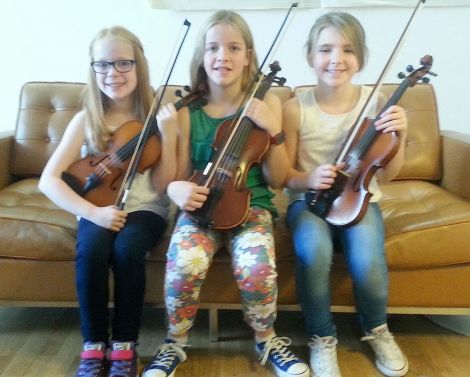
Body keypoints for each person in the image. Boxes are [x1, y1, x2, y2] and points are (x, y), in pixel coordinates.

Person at [142, 10, 310, 377]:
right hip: (201, 208)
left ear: (248, 55)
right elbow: (173, 177)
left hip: (251, 208)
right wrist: (174, 179)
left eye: (234, 47)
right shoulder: (189, 112)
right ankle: (175, 342)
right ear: (202, 57)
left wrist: (274, 131)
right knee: (185, 263)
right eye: (214, 48)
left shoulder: (269, 105)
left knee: (257, 266)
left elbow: (279, 178)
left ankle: (267, 339)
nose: (224, 56)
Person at [39, 26, 179, 377]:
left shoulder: (159, 117)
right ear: (92, 68)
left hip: (147, 209)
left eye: (122, 63)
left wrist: (172, 134)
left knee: (128, 249)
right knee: (92, 250)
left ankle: (124, 345)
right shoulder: (87, 119)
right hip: (98, 207)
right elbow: (48, 180)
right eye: (102, 64)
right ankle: (94, 344)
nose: (112, 73)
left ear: (139, 65)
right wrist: (92, 213)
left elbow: (165, 184)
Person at [282, 12, 409, 377]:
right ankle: (321, 337)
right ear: (310, 56)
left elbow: (390, 171)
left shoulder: (378, 102)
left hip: (360, 199)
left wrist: (403, 133)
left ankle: (377, 328)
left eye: (348, 50)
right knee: (314, 252)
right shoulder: (294, 108)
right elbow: (284, 176)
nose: (336, 59)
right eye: (325, 49)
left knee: (368, 260)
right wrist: (310, 176)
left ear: (361, 58)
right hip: (308, 202)